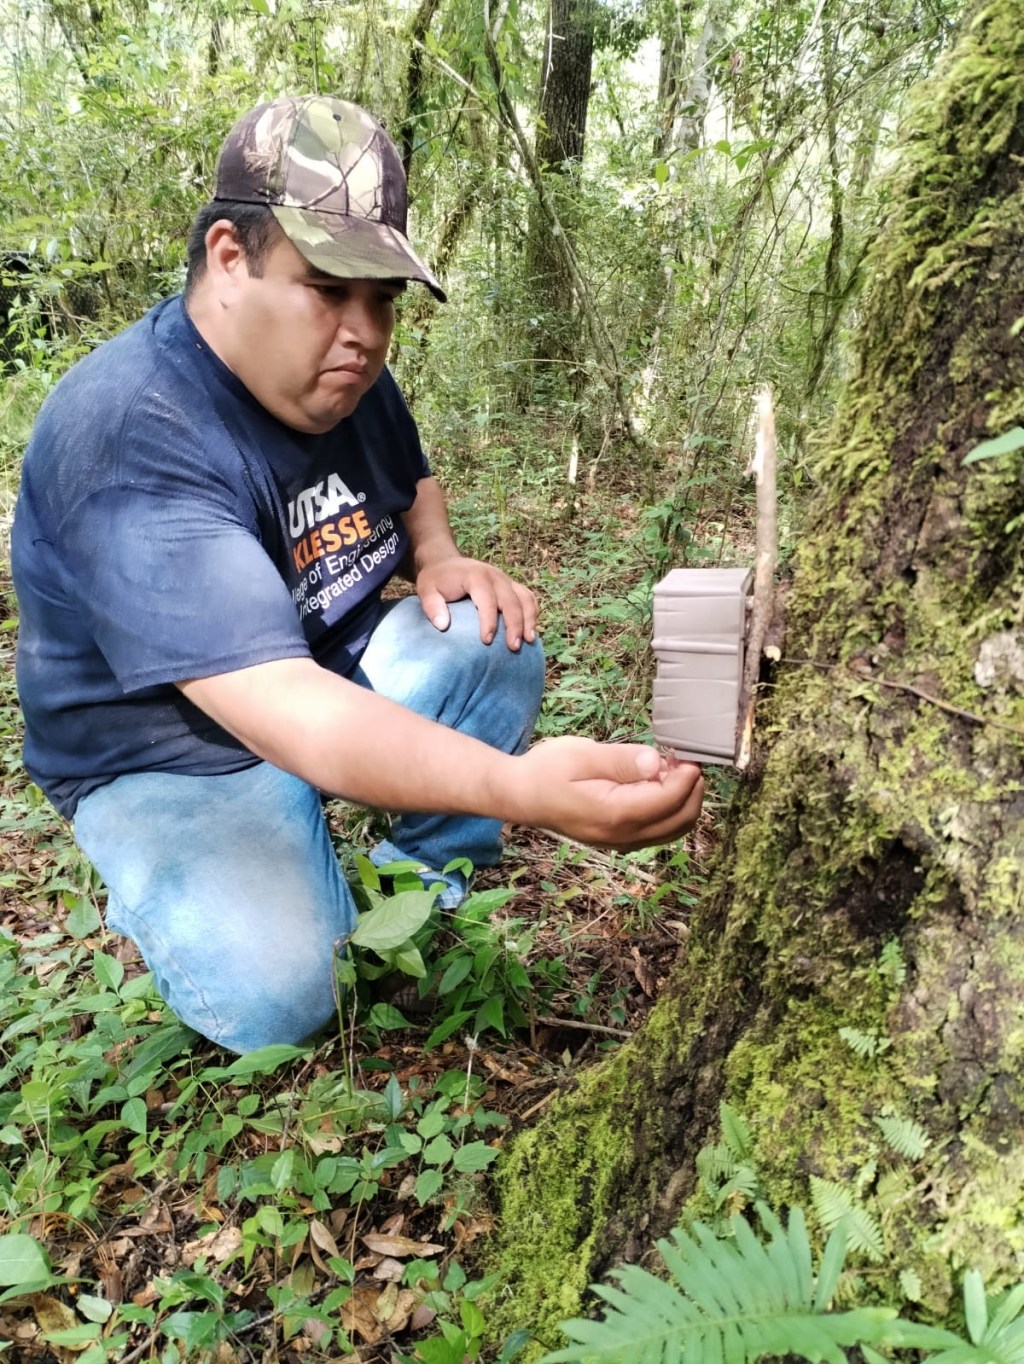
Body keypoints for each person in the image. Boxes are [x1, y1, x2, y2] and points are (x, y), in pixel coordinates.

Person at [11, 95, 703, 1053]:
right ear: (228, 257)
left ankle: (414, 885)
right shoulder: (133, 433)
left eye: (382, 297)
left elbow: (410, 475)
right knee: (286, 1001)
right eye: (329, 286)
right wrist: (525, 788)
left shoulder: (345, 376)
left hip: (313, 669)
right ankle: (194, 876)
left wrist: (441, 556)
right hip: (163, 750)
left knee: (487, 636)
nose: (365, 330)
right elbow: (293, 713)